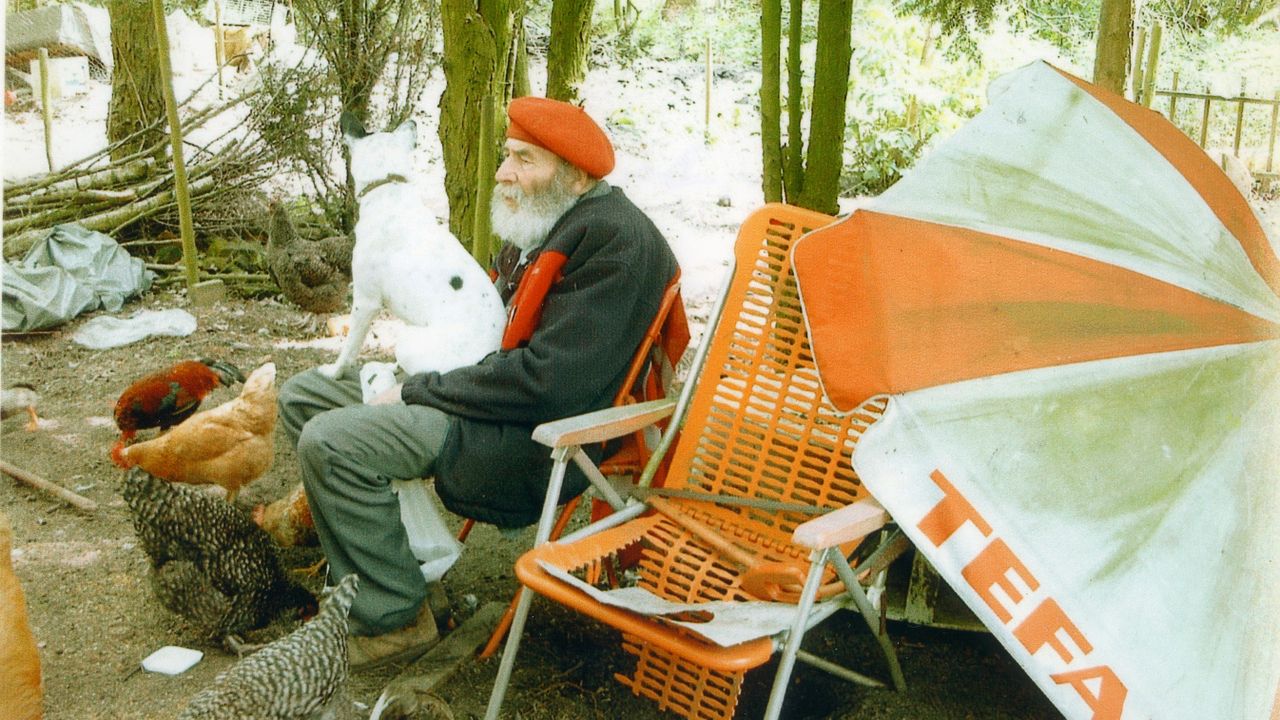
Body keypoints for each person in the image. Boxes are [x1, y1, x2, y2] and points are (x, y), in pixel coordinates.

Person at [277, 96, 681, 669]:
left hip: (527, 439)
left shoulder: (617, 243)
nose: (503, 173)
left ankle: (394, 616)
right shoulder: (542, 221)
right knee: (304, 398)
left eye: (523, 160)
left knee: (331, 441)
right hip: (480, 395)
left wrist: (420, 389)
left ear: (575, 174)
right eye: (506, 155)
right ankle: (392, 568)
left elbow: (552, 383)